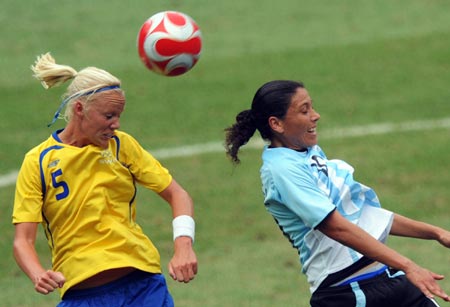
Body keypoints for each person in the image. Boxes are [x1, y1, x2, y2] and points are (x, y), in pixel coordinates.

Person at [224, 80, 450, 306]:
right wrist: (409, 265)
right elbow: (336, 227)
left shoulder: (308, 153)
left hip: (386, 277)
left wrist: (436, 233)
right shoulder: (282, 170)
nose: (315, 115)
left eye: (312, 107)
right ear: (276, 124)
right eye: (304, 110)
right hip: (349, 293)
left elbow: (365, 216)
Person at [12, 52, 197, 307]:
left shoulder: (121, 146)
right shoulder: (38, 161)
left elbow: (178, 194)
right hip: (81, 294)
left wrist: (184, 245)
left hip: (142, 287)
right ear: (79, 109)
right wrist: (37, 273)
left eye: (119, 116)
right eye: (109, 116)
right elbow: (23, 240)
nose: (116, 125)